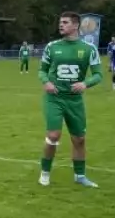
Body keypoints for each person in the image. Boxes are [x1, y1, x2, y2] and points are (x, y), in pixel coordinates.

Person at [37, 12, 103, 188]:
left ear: (76, 26)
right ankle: (45, 173)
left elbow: (98, 75)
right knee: (53, 135)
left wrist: (85, 84)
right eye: (60, 22)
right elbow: (42, 70)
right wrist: (46, 82)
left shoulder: (89, 49)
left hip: (75, 101)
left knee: (79, 139)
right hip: (54, 98)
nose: (61, 25)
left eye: (65, 22)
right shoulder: (52, 47)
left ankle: (80, 176)